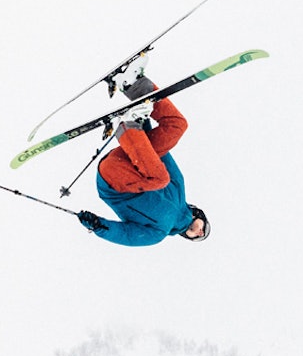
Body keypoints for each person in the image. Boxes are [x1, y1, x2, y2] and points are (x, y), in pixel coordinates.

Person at [77, 76, 209, 246]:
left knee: (161, 179)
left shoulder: (157, 233)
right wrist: (143, 121)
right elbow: (154, 155)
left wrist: (98, 226)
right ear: (202, 217)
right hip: (128, 154)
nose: (199, 232)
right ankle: (133, 84)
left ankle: (126, 124)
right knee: (177, 125)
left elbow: (125, 234)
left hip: (115, 182)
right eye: (204, 229)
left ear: (186, 236)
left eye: (198, 237)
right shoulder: (179, 188)